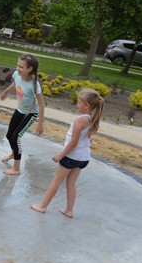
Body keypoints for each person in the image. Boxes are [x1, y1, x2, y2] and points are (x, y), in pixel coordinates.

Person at [31, 88, 105, 218]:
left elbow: (74, 141)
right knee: (71, 183)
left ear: (86, 106)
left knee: (56, 181)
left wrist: (61, 155)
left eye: (79, 102)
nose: (77, 104)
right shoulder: (93, 119)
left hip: (71, 157)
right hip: (83, 158)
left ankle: (42, 206)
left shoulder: (79, 120)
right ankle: (69, 210)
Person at [0, 54, 45, 175]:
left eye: (21, 67)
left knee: (16, 137)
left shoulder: (34, 85)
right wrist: (6, 91)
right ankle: (14, 153)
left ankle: (16, 168)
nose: (18, 68)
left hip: (30, 113)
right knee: (9, 135)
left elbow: (41, 105)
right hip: (19, 110)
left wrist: (40, 124)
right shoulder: (17, 75)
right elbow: (15, 83)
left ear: (29, 69)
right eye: (18, 65)